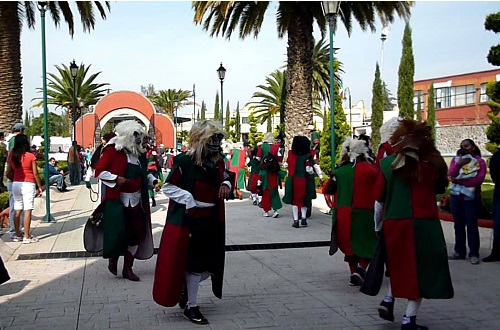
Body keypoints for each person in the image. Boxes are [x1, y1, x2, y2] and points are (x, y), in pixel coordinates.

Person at [367, 119, 453, 330]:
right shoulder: (432, 166)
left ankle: (388, 300)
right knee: (421, 271)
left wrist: (378, 227)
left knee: (399, 265)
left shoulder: (386, 165)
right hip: (425, 225)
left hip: (394, 224)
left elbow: (379, 202)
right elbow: (440, 189)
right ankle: (409, 319)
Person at [153, 120, 233, 325]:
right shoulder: (185, 161)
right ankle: (192, 305)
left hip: (212, 219)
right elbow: (169, 187)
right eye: (212, 139)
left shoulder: (218, 161)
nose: (216, 144)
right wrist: (188, 199)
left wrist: (225, 183)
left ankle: (187, 290)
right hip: (190, 220)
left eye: (218, 140)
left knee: (211, 264)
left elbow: (226, 176)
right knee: (195, 264)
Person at [91, 120, 154, 281]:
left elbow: (144, 174)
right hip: (118, 202)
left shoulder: (139, 155)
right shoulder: (113, 152)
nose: (139, 140)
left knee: (137, 233)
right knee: (118, 234)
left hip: (137, 201)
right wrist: (115, 178)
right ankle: (113, 259)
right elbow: (99, 172)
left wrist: (153, 181)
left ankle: (128, 268)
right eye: (136, 136)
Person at [325, 137, 378, 285]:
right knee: (368, 243)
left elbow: (329, 189)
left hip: (344, 212)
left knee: (349, 245)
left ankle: (354, 272)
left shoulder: (340, 171)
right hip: (366, 212)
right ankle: (361, 268)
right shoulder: (372, 169)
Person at [448, 138, 486, 265]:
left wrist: (460, 181)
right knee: (458, 225)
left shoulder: (479, 162)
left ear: (473, 147)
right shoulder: (455, 160)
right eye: (461, 146)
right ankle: (459, 251)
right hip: (456, 198)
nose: (464, 148)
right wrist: (459, 164)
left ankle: (474, 253)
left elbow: (478, 180)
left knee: (471, 225)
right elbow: (451, 174)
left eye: (467, 146)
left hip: (472, 198)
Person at [5, 134, 44, 244]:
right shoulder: (30, 156)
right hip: (28, 184)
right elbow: (35, 173)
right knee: (27, 210)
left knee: (17, 210)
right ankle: (27, 236)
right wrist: (39, 186)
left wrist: (14, 180)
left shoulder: (12, 155)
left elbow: (7, 172)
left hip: (16, 184)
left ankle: (17, 234)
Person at [282, 135, 323, 228]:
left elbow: (285, 165)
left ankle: (296, 220)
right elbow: (310, 168)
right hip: (305, 180)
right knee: (305, 199)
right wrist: (320, 176)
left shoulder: (291, 153)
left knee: (294, 201)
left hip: (292, 180)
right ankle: (304, 218)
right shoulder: (310, 154)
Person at [256, 132, 284, 218]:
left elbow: (258, 158)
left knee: (265, 191)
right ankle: (275, 210)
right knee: (274, 190)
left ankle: (266, 211)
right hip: (273, 172)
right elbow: (280, 158)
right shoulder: (277, 147)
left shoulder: (262, 147)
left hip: (264, 171)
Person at [6, 123, 25, 240]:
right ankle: (15, 231)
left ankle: (17, 230)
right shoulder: (15, 141)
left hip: (14, 177)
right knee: (15, 206)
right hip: (15, 178)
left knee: (16, 205)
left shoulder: (10, 141)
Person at [484, 147, 500, 262]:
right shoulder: (497, 156)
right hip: (499, 190)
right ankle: (496, 252)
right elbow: (494, 172)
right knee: (498, 224)